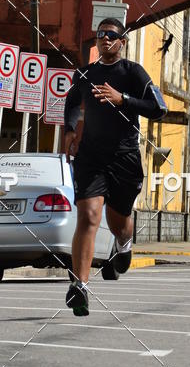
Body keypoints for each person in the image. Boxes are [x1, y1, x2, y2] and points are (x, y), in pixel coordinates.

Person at [63, 17, 167, 316]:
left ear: (122, 41)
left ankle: (124, 243)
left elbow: (158, 108)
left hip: (125, 157)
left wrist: (123, 99)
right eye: (100, 35)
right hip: (91, 157)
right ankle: (79, 287)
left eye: (111, 35)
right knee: (89, 216)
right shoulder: (85, 73)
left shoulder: (132, 72)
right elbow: (72, 102)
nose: (105, 39)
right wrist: (70, 130)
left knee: (118, 221)